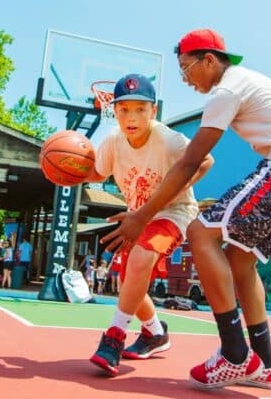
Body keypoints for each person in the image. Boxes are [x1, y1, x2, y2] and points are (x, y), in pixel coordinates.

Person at [101, 29, 271, 390]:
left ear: (209, 60)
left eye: (186, 69)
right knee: (239, 259)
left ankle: (234, 355)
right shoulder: (243, 84)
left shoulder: (227, 90)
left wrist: (141, 216)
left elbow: (188, 163)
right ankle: (266, 365)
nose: (186, 79)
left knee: (200, 231)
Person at [84, 73, 213, 377]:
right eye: (124, 109)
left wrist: (175, 190)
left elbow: (205, 161)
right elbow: (97, 173)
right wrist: (65, 170)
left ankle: (114, 337)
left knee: (141, 258)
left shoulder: (168, 140)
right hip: (138, 215)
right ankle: (155, 333)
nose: (131, 116)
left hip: (174, 212)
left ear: (153, 111)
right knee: (130, 281)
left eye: (140, 109)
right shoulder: (113, 142)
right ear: (112, 110)